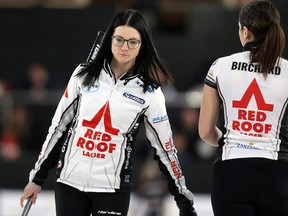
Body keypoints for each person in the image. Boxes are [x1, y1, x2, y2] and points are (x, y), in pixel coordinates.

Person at [20, 9, 197, 216]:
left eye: (133, 42)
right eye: (119, 39)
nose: (124, 47)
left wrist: (183, 198)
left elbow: (165, 148)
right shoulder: (82, 75)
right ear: (110, 39)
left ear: (142, 45)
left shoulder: (150, 92)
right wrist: (36, 178)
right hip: (69, 183)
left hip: (112, 189)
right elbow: (58, 127)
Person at [198, 1, 287, 216]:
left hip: (231, 173)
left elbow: (205, 131)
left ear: (245, 31)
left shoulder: (220, 66)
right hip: (279, 175)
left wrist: (231, 140)